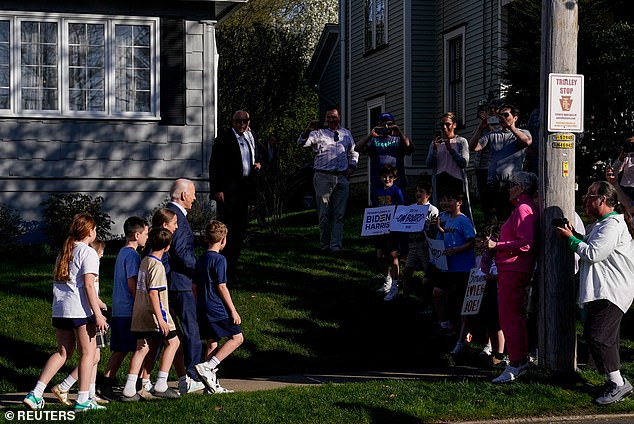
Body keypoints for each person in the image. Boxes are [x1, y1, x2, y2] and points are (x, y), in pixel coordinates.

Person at [555, 181, 634, 405]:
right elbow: (591, 245)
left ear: (603, 200)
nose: (585, 200)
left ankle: (618, 383)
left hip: (611, 290)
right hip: (604, 290)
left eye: (590, 196)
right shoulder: (601, 224)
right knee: (600, 336)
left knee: (599, 337)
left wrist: (569, 239)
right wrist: (575, 234)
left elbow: (593, 253)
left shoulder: (612, 225)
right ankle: (614, 380)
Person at [23, 213, 108, 412]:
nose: (95, 232)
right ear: (89, 231)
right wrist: (98, 314)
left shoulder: (64, 252)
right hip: (80, 310)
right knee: (88, 354)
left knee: (62, 353)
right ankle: (83, 399)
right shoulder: (88, 253)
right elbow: (89, 286)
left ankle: (36, 393)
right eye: (94, 228)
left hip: (61, 310)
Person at [485, 172, 539, 384]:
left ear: (521, 188)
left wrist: (496, 246)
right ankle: (518, 361)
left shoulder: (524, 209)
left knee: (510, 317)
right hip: (511, 268)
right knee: (510, 316)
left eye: (512, 185)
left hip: (514, 269)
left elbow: (526, 243)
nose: (508, 188)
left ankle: (517, 363)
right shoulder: (521, 208)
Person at [122, 227, 181, 401]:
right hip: (155, 314)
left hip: (140, 312)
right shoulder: (157, 266)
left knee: (142, 348)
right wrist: (162, 319)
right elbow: (154, 293)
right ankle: (161, 383)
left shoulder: (144, 261)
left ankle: (129, 388)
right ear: (167, 246)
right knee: (174, 342)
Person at [52, 240, 109, 406]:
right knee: (90, 355)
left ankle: (88, 393)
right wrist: (100, 310)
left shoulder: (74, 257)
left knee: (93, 356)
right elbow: (91, 291)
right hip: (87, 315)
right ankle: (67, 386)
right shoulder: (90, 264)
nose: (103, 255)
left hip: (79, 312)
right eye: (101, 252)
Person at [210, 110, 263, 281]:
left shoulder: (251, 136)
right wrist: (217, 189)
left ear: (249, 122)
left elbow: (257, 156)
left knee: (240, 230)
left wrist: (259, 165)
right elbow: (215, 165)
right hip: (228, 190)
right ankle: (221, 268)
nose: (241, 124)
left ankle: (232, 269)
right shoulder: (224, 139)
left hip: (246, 189)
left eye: (244, 121)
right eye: (238, 121)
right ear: (232, 122)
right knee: (226, 230)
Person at [100, 216, 149, 399]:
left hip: (120, 308)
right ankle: (134, 383)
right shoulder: (132, 256)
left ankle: (106, 382)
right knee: (140, 346)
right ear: (136, 235)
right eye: (145, 233)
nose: (147, 237)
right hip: (129, 309)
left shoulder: (122, 253)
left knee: (120, 349)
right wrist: (141, 303)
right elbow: (132, 283)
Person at [299, 106, 359, 254]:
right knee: (324, 214)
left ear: (339, 117)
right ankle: (324, 246)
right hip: (322, 176)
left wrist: (352, 167)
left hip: (342, 177)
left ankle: (336, 246)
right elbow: (301, 143)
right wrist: (308, 129)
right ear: (326, 119)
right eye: (329, 117)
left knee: (339, 214)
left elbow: (354, 152)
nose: (331, 120)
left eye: (334, 117)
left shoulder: (346, 134)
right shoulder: (317, 133)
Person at [194, 220, 243, 394]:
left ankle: (211, 386)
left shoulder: (201, 259)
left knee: (212, 342)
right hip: (216, 307)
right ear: (223, 240)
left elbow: (195, 287)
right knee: (237, 338)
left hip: (202, 306)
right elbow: (221, 286)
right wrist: (233, 310)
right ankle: (209, 366)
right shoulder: (219, 259)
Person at [166, 179, 205, 395]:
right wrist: (198, 269)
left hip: (172, 281)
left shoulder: (170, 213)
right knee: (191, 329)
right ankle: (192, 375)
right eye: (193, 194)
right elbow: (180, 251)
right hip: (180, 283)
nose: (195, 198)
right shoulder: (177, 217)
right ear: (183, 196)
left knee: (172, 333)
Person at [469, 103, 532, 225]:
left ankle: (505, 241)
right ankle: (491, 240)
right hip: (493, 183)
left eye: (506, 115)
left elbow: (527, 142)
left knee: (508, 218)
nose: (502, 118)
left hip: (512, 184)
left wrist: (511, 127)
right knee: (492, 218)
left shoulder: (522, 132)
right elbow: (473, 147)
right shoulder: (493, 135)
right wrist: (480, 128)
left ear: (515, 118)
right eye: (500, 115)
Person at [429, 190, 476, 339]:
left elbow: (471, 241)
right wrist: (438, 229)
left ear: (459, 202)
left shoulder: (464, 220)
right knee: (438, 292)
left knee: (462, 301)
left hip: (462, 268)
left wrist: (456, 250)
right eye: (443, 200)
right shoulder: (447, 219)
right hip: (447, 266)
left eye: (449, 200)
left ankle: (465, 332)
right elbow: (450, 234)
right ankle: (446, 324)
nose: (445, 203)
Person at [354, 112, 414, 201]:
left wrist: (400, 133)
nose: (386, 126)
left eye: (389, 124)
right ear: (378, 125)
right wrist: (370, 135)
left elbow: (410, 148)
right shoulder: (373, 141)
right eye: (383, 124)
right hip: (378, 183)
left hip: (397, 182)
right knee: (380, 210)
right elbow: (357, 148)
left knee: (398, 209)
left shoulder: (399, 139)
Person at [426, 112, 472, 218]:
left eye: (448, 124)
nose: (444, 127)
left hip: (456, 179)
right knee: (441, 208)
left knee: (459, 208)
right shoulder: (435, 143)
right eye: (442, 125)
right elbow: (429, 164)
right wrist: (434, 150)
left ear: (454, 125)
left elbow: (464, 163)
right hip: (440, 178)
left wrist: (451, 149)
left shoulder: (461, 141)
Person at [371, 165, 405, 302]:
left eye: (390, 177)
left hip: (393, 229)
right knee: (379, 256)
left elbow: (401, 208)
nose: (387, 179)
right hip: (380, 229)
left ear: (394, 178)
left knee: (393, 256)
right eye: (384, 176)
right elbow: (374, 209)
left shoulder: (396, 191)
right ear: (380, 177)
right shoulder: (377, 191)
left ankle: (395, 287)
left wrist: (395, 228)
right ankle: (387, 281)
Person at [401, 180, 439, 299]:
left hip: (425, 245)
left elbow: (433, 229)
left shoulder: (432, 209)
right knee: (407, 271)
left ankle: (430, 297)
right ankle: (405, 297)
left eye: (421, 191)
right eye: (416, 191)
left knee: (428, 272)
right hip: (412, 245)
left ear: (428, 195)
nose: (418, 193)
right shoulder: (410, 208)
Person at [610, 136, 634, 200]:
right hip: (627, 188)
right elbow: (614, 171)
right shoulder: (627, 156)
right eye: (630, 144)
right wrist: (621, 159)